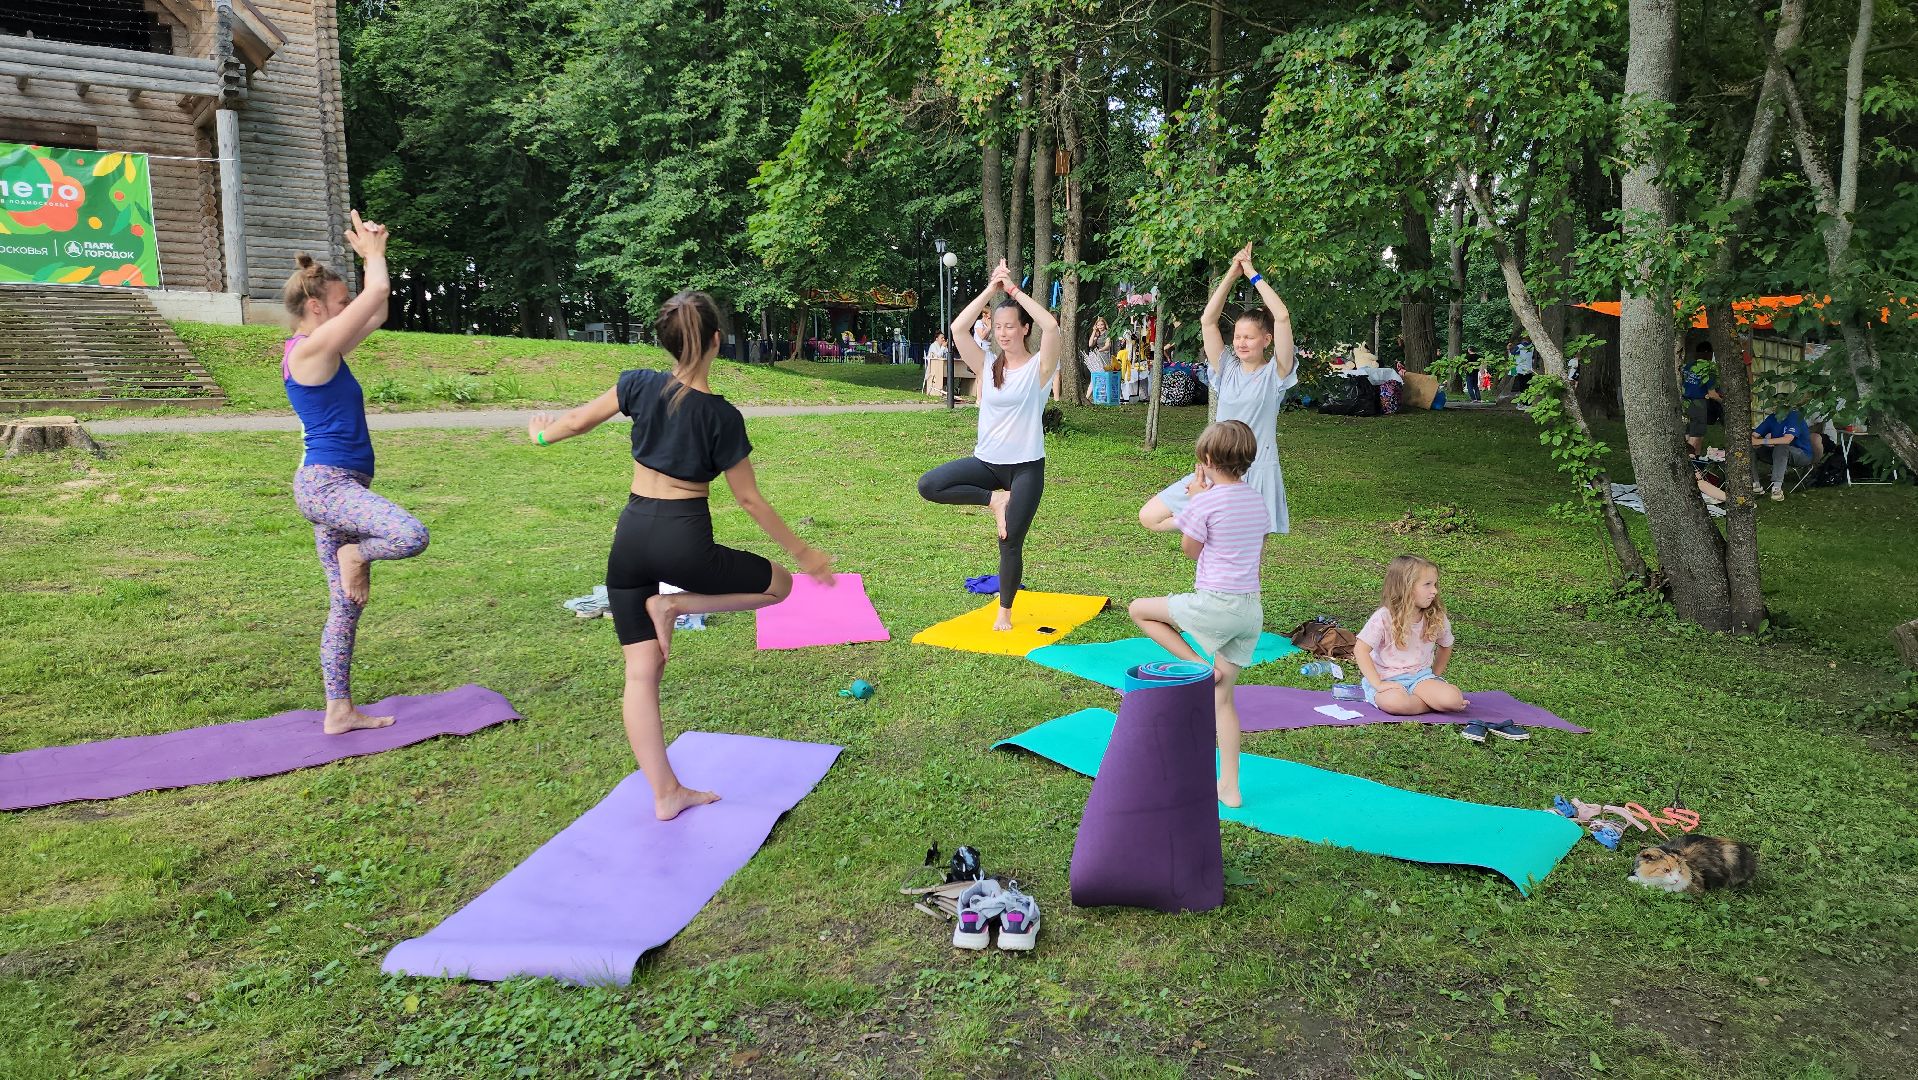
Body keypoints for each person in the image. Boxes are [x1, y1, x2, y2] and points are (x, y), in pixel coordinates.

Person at [528, 291, 835, 820]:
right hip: (683, 540)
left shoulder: (638, 384)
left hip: (630, 537)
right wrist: (804, 552)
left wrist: (539, 436)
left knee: (640, 673)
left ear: (666, 343)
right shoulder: (722, 416)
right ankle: (674, 606)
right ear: (717, 341)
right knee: (778, 585)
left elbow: (576, 422)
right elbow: (747, 499)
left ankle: (665, 793)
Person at [282, 212, 430, 736]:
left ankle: (338, 709)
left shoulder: (329, 349)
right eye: (340, 304)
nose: (349, 311)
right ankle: (355, 553)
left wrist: (376, 253)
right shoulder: (312, 352)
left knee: (344, 606)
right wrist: (372, 259)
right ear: (316, 306)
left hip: (339, 486)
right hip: (327, 487)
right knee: (409, 534)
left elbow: (378, 310)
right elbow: (376, 292)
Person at [1128, 420, 1269, 807]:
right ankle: (1231, 786)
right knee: (1223, 700)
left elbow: (1191, 550)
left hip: (1215, 603)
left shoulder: (1203, 500)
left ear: (1205, 460)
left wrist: (1194, 500)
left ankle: (1199, 666)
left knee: (1139, 610)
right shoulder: (1257, 499)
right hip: (1250, 610)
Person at [918, 259, 1063, 630]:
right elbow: (957, 327)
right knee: (930, 485)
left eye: (1010, 326)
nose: (1003, 333)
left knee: (1010, 539)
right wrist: (991, 290)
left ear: (1024, 329)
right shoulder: (987, 365)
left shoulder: (1040, 368)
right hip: (987, 463)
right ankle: (993, 499)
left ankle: (1005, 611)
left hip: (1026, 466)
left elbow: (1051, 325)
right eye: (998, 327)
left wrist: (1012, 290)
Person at [1140, 243, 1297, 536]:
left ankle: (1208, 522)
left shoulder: (1275, 374)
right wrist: (1232, 272)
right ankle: (1204, 518)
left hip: (1256, 473)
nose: (1241, 343)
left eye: (1249, 337)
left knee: (1241, 556)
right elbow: (1208, 320)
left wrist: (1251, 273)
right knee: (1150, 516)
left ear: (1267, 339)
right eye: (1237, 337)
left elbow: (1283, 317)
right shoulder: (1226, 369)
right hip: (1214, 470)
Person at [1352, 555, 1520, 742]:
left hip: (1421, 678)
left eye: (1435, 584)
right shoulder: (1383, 617)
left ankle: (1427, 701)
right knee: (1394, 703)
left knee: (1454, 700)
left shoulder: (1435, 616)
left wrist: (1436, 676)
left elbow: (1446, 646)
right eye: (1427, 585)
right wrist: (1378, 684)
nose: (1434, 591)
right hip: (1388, 679)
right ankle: (1430, 703)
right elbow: (1360, 649)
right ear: (1405, 586)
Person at [1752, 401, 1814, 501]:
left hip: (1801, 455)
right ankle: (1755, 484)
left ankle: (1777, 488)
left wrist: (1761, 441)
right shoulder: (1773, 417)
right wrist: (1753, 440)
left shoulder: (1795, 417)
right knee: (1749, 448)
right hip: (1777, 454)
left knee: (1782, 446)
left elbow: (1787, 439)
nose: (1773, 407)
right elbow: (1754, 435)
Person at [1682, 341, 1721, 457]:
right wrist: (1725, 402)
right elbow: (1712, 394)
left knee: (1688, 434)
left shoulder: (1689, 366)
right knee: (1696, 437)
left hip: (1685, 403)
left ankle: (1689, 460)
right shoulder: (1710, 369)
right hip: (1699, 404)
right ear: (1710, 354)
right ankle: (1693, 464)